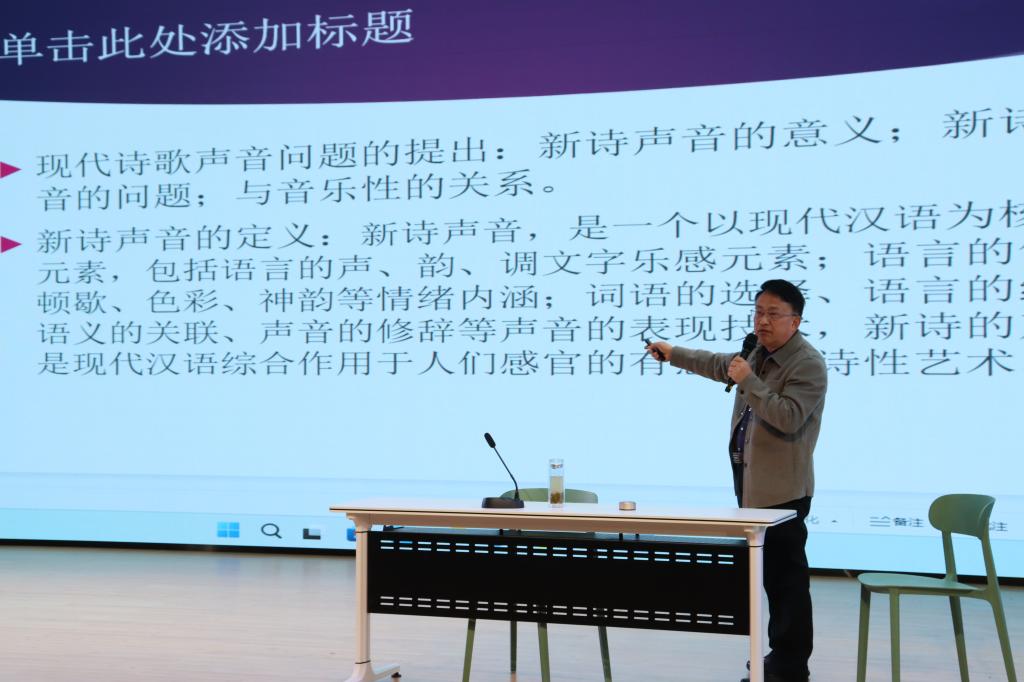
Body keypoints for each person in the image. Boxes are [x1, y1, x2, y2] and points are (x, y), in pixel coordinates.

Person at [646, 279, 826, 682]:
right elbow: (719, 364)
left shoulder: (807, 364)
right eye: (759, 312)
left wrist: (748, 380)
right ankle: (780, 658)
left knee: (787, 582)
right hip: (752, 486)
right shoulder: (757, 352)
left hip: (784, 491)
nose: (762, 321)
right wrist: (673, 353)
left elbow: (788, 416)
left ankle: (791, 666)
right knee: (772, 579)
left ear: (795, 321)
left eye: (773, 314)